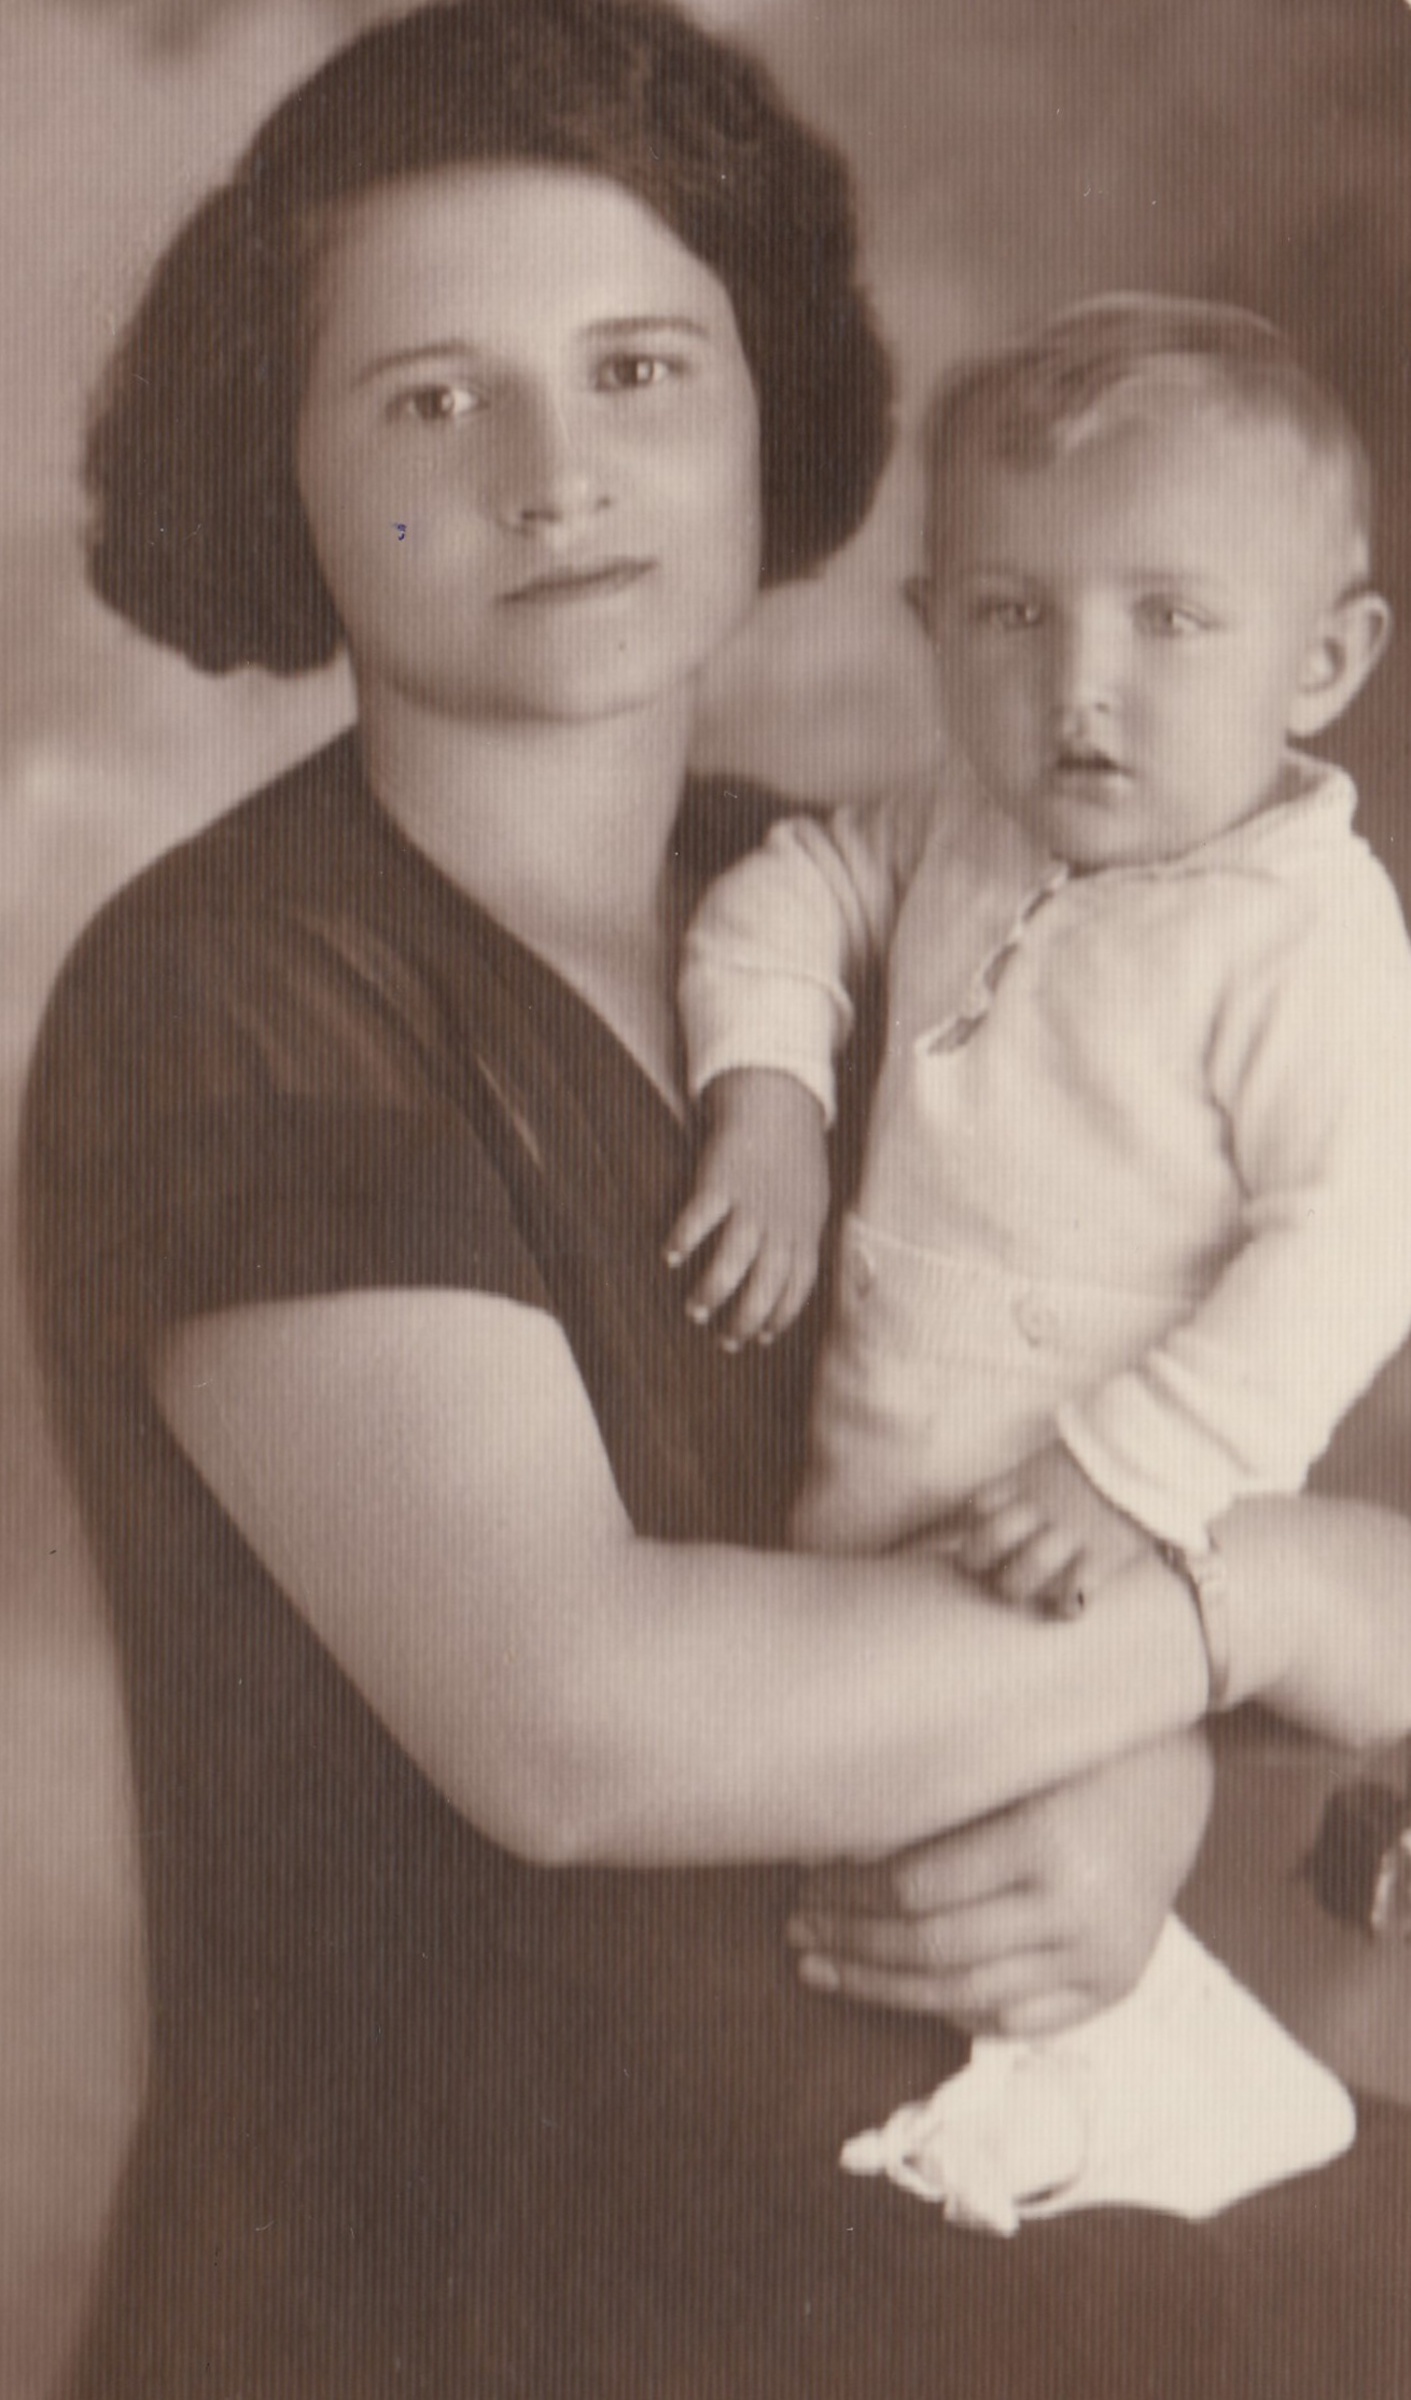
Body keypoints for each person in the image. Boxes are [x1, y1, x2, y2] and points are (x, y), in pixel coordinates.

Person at [18, 6, 1411, 2394]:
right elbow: (588, 1730)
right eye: (432, 401)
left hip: (957, 2219)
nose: (560, 474)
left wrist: (1153, 1769)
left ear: (767, 406)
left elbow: (1068, 1464)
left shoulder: (880, 897)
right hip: (491, 2299)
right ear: (283, 463)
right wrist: (1253, 1601)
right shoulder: (229, 998)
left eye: (642, 369)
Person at [673, 296, 1411, 1591]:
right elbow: (793, 888)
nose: (1079, 686)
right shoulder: (964, 818)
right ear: (933, 626)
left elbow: (1360, 1249)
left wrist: (1129, 1472)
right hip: (858, 1536)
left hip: (1115, 1557)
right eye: (1013, 613)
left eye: (1168, 618)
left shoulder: (1305, 934)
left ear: (1324, 660)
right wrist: (769, 1094)